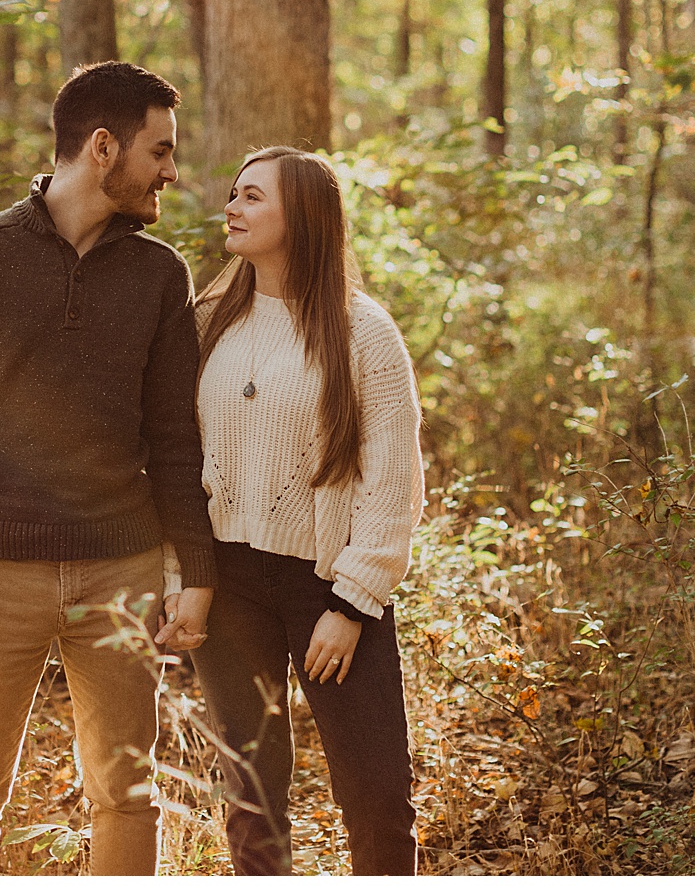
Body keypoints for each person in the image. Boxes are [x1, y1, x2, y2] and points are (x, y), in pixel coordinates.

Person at [0, 60, 219, 876]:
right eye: (160, 151)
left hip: (121, 567)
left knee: (127, 791)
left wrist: (195, 567)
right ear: (104, 147)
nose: (172, 172)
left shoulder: (160, 275)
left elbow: (174, 439)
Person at [189, 146, 425, 876]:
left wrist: (352, 602)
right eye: (235, 193)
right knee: (253, 797)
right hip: (228, 586)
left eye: (253, 196)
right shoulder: (206, 318)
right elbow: (172, 458)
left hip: (327, 587)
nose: (232, 206)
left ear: (304, 215)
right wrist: (186, 573)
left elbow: (395, 478)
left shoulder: (364, 332)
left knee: (377, 796)